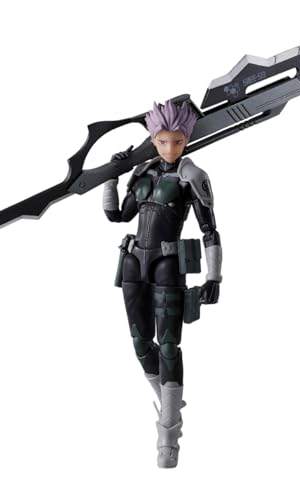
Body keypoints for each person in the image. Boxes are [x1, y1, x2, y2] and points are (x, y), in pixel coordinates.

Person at [102, 100, 222, 468]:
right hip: (134, 262)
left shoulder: (191, 175)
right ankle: (170, 401)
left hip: (168, 265)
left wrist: (214, 276)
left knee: (169, 345)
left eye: (178, 141)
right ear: (153, 140)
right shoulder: (143, 172)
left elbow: (210, 231)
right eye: (163, 141)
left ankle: (169, 435)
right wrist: (110, 176)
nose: (170, 148)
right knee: (141, 343)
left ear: (186, 140)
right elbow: (116, 215)